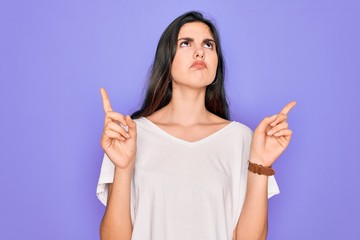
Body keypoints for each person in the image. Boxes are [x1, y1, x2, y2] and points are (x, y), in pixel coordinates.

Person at [96, 11, 296, 240]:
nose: (199, 51)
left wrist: (260, 164)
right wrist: (123, 168)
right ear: (166, 59)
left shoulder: (241, 138)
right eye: (186, 43)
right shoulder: (129, 136)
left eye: (208, 45)